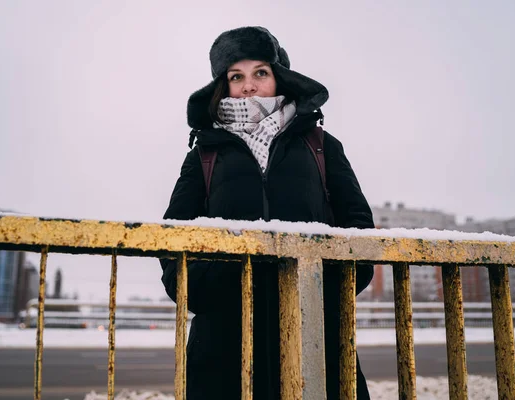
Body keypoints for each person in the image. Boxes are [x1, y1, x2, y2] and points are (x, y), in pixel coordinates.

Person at [160, 26, 374, 400]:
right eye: (236, 76)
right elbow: (172, 239)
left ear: (279, 77)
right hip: (224, 340)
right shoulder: (204, 155)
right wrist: (214, 287)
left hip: (315, 331)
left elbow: (359, 229)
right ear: (222, 87)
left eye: (260, 72)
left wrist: (325, 288)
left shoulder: (321, 145)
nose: (248, 86)